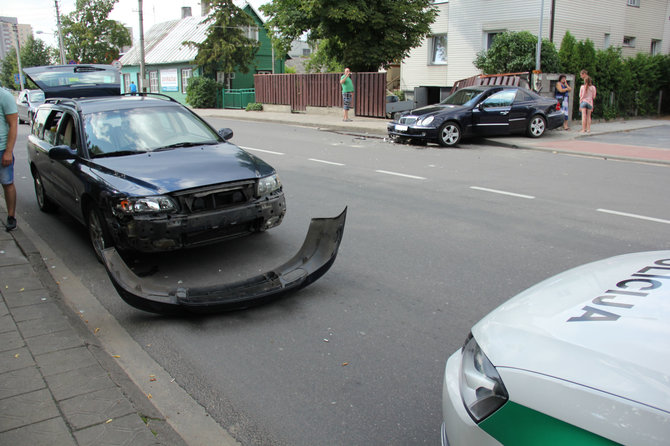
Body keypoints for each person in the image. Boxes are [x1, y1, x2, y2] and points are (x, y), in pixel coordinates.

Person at [0, 86, 18, 231]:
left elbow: (13, 125)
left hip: (1, 150)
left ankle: (11, 216)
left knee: (7, 183)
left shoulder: (4, 96)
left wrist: (8, 151)